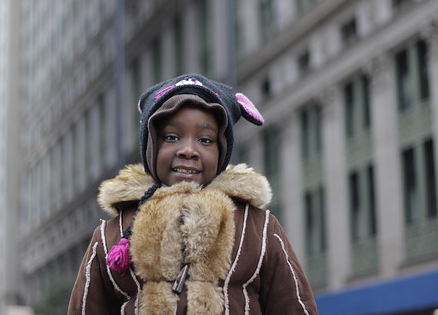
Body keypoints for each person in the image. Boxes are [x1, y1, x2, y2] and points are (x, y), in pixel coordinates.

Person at [68, 74, 319, 314]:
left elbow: (294, 307)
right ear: (151, 146)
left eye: (206, 140)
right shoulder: (110, 236)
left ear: (221, 150)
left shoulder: (260, 229)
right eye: (172, 137)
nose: (188, 150)